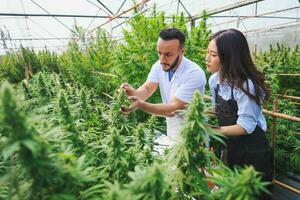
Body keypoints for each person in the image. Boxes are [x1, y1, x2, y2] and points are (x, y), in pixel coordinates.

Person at [206, 29, 273, 199]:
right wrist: (194, 112)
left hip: (253, 152)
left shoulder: (245, 85)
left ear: (229, 57)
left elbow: (246, 126)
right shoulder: (215, 80)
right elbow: (221, 108)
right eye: (207, 52)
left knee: (251, 194)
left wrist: (211, 130)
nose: (207, 58)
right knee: (231, 192)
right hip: (231, 147)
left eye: (213, 55)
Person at [121, 28, 206, 142]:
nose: (162, 59)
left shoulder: (194, 74)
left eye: (168, 54)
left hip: (192, 137)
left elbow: (172, 110)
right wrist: (133, 93)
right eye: (159, 53)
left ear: (182, 51)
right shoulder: (159, 66)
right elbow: (147, 88)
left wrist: (140, 105)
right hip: (172, 133)